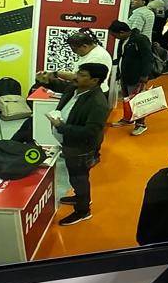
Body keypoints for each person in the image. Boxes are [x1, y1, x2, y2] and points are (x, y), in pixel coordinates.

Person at [48, 62, 111, 226]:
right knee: (75, 176)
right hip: (68, 143)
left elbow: (90, 132)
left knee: (79, 178)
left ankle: (83, 211)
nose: (76, 77)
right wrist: (47, 80)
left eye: (82, 75)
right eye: (78, 73)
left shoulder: (98, 103)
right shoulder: (75, 88)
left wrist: (61, 127)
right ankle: (80, 197)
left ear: (95, 80)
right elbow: (61, 87)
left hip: (80, 148)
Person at [108, 19, 154, 136]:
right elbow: (121, 57)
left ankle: (140, 124)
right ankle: (128, 118)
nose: (115, 38)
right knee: (127, 99)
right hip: (125, 75)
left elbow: (148, 58)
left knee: (137, 101)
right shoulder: (123, 40)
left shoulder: (140, 40)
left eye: (115, 35)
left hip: (136, 76)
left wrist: (144, 75)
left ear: (122, 32)